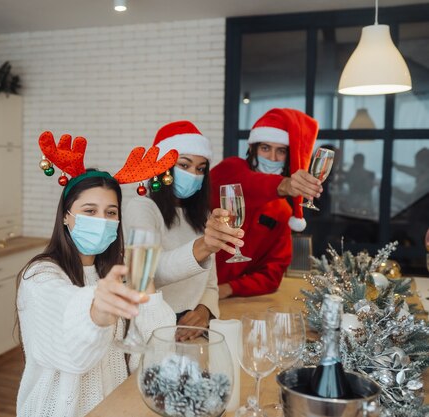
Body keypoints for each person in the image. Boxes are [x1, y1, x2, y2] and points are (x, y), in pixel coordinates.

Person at [17, 133, 175, 417]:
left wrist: (144, 278)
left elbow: (158, 348)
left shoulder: (117, 273)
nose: (102, 221)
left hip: (116, 408)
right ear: (66, 216)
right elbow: (73, 342)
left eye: (111, 212)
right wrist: (96, 310)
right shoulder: (39, 275)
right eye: (89, 210)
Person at [123, 121, 244, 340]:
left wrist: (204, 312)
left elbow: (211, 285)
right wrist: (204, 246)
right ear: (163, 167)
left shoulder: (202, 216)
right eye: (184, 165)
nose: (194, 175)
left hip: (193, 334)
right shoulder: (142, 207)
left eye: (200, 169)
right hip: (151, 331)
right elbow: (145, 273)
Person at [210, 108, 321, 298]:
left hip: (228, 300)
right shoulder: (231, 169)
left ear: (289, 157)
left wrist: (230, 288)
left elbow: (272, 274)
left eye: (281, 151)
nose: (272, 158)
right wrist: (285, 185)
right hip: (188, 287)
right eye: (265, 148)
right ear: (253, 149)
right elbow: (247, 183)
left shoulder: (283, 211)